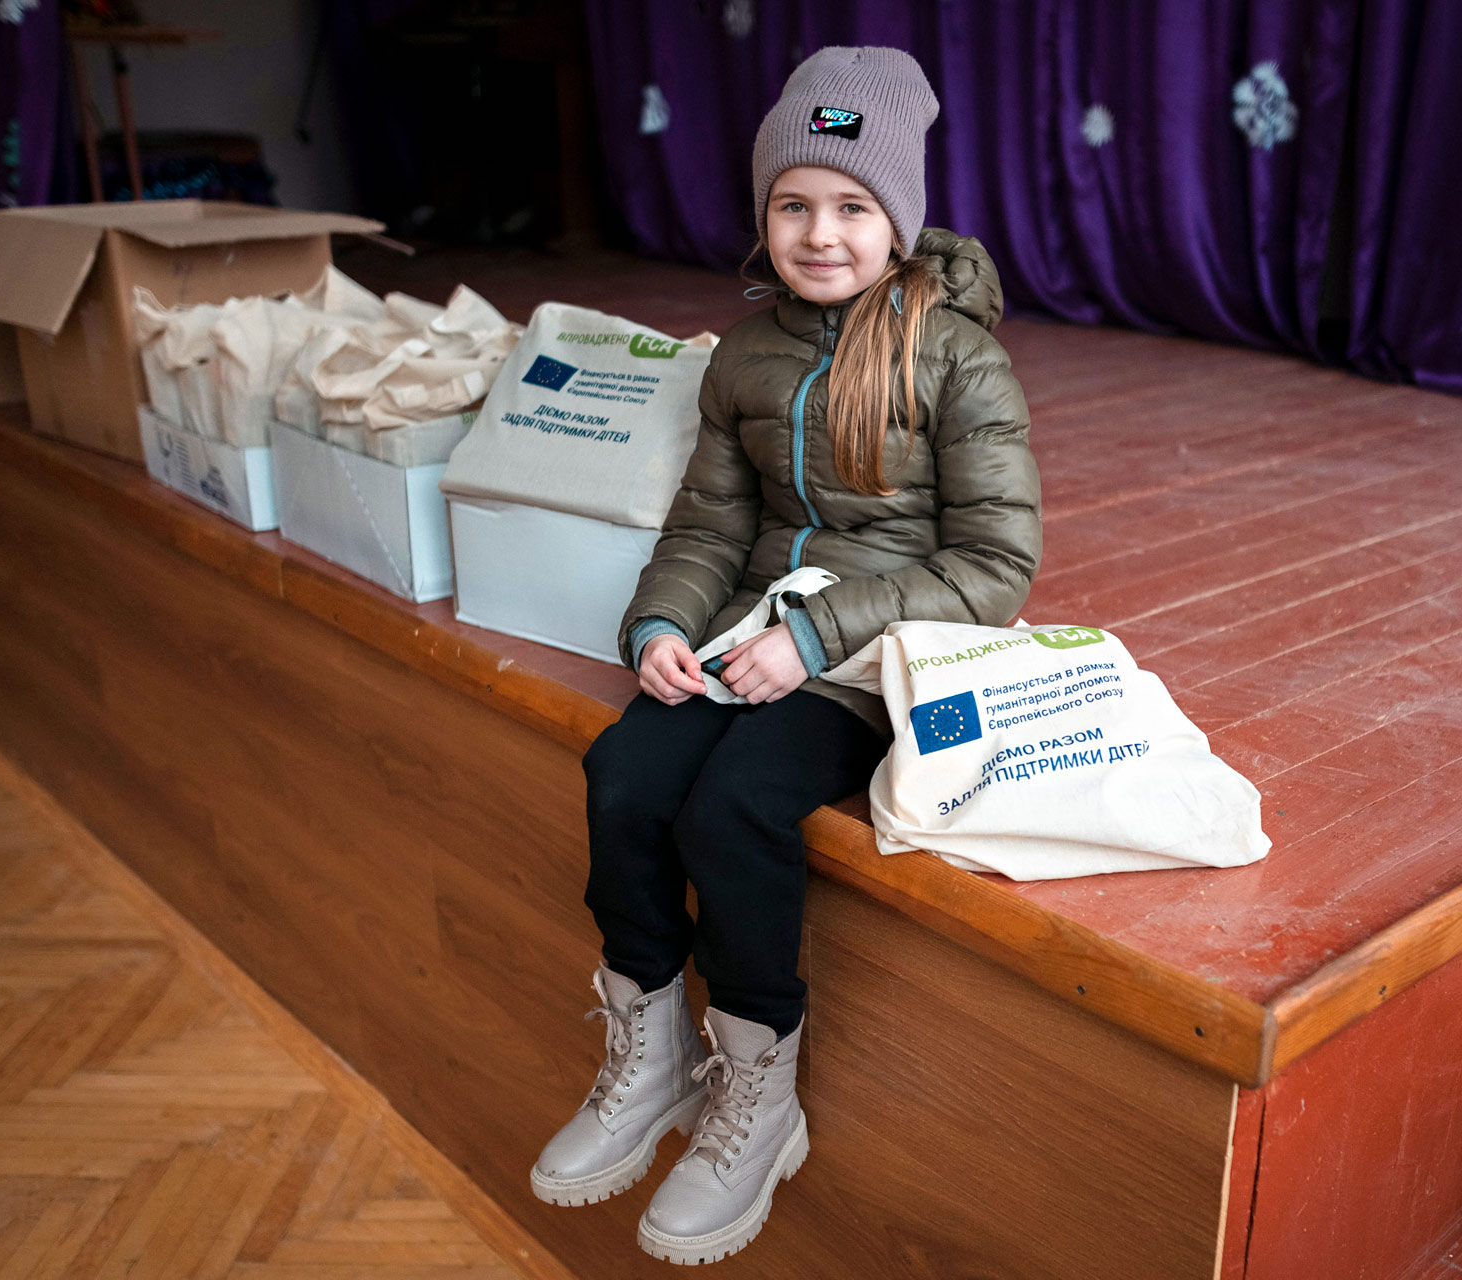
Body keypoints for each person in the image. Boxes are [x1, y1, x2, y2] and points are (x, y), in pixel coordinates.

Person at [530, 45, 1043, 1266]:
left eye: (854, 206)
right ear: (764, 214)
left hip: (878, 652)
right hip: (750, 628)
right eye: (795, 203)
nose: (822, 233)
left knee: (734, 805)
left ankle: (759, 1092)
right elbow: (712, 523)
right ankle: (650, 1053)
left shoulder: (958, 357)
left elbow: (995, 565)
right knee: (622, 776)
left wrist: (813, 630)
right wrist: (660, 624)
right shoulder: (746, 354)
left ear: (898, 220)